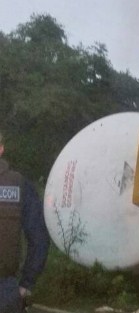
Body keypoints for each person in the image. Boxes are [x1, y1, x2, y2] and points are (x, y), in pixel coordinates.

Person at [0, 131, 50, 313]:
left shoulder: (20, 185)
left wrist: (26, 282)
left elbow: (39, 237)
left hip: (4, 291)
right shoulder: (21, 184)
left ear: (1, 149)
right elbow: (39, 239)